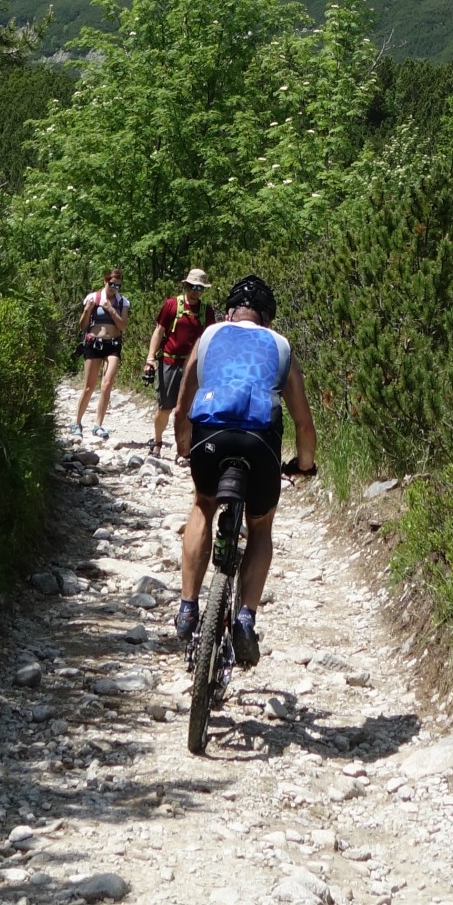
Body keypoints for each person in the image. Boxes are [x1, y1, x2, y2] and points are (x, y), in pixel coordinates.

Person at [172, 272, 316, 667]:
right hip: (260, 443)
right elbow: (304, 425)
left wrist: (184, 445)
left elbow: (182, 404)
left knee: (203, 504)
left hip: (210, 437)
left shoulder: (209, 335)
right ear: (267, 318)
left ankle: (187, 607)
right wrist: (305, 465)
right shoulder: (280, 345)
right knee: (261, 525)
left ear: (230, 312)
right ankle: (246, 618)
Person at [142, 266, 214, 461]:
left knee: (190, 409)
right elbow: (159, 331)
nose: (195, 291)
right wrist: (150, 358)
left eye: (199, 288)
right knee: (165, 406)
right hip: (169, 361)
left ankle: (185, 448)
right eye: (192, 286)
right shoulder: (172, 305)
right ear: (186, 285)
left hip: (193, 366)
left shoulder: (206, 311)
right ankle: (157, 441)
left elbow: (209, 339)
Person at [73, 268, 130, 439]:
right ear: (105, 281)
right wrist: (87, 310)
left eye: (118, 286)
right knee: (89, 386)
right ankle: (77, 423)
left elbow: (123, 326)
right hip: (94, 343)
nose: (114, 288)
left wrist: (111, 310)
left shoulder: (123, 302)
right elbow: (82, 326)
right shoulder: (93, 298)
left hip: (113, 345)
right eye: (112, 284)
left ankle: (98, 425)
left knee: (107, 384)